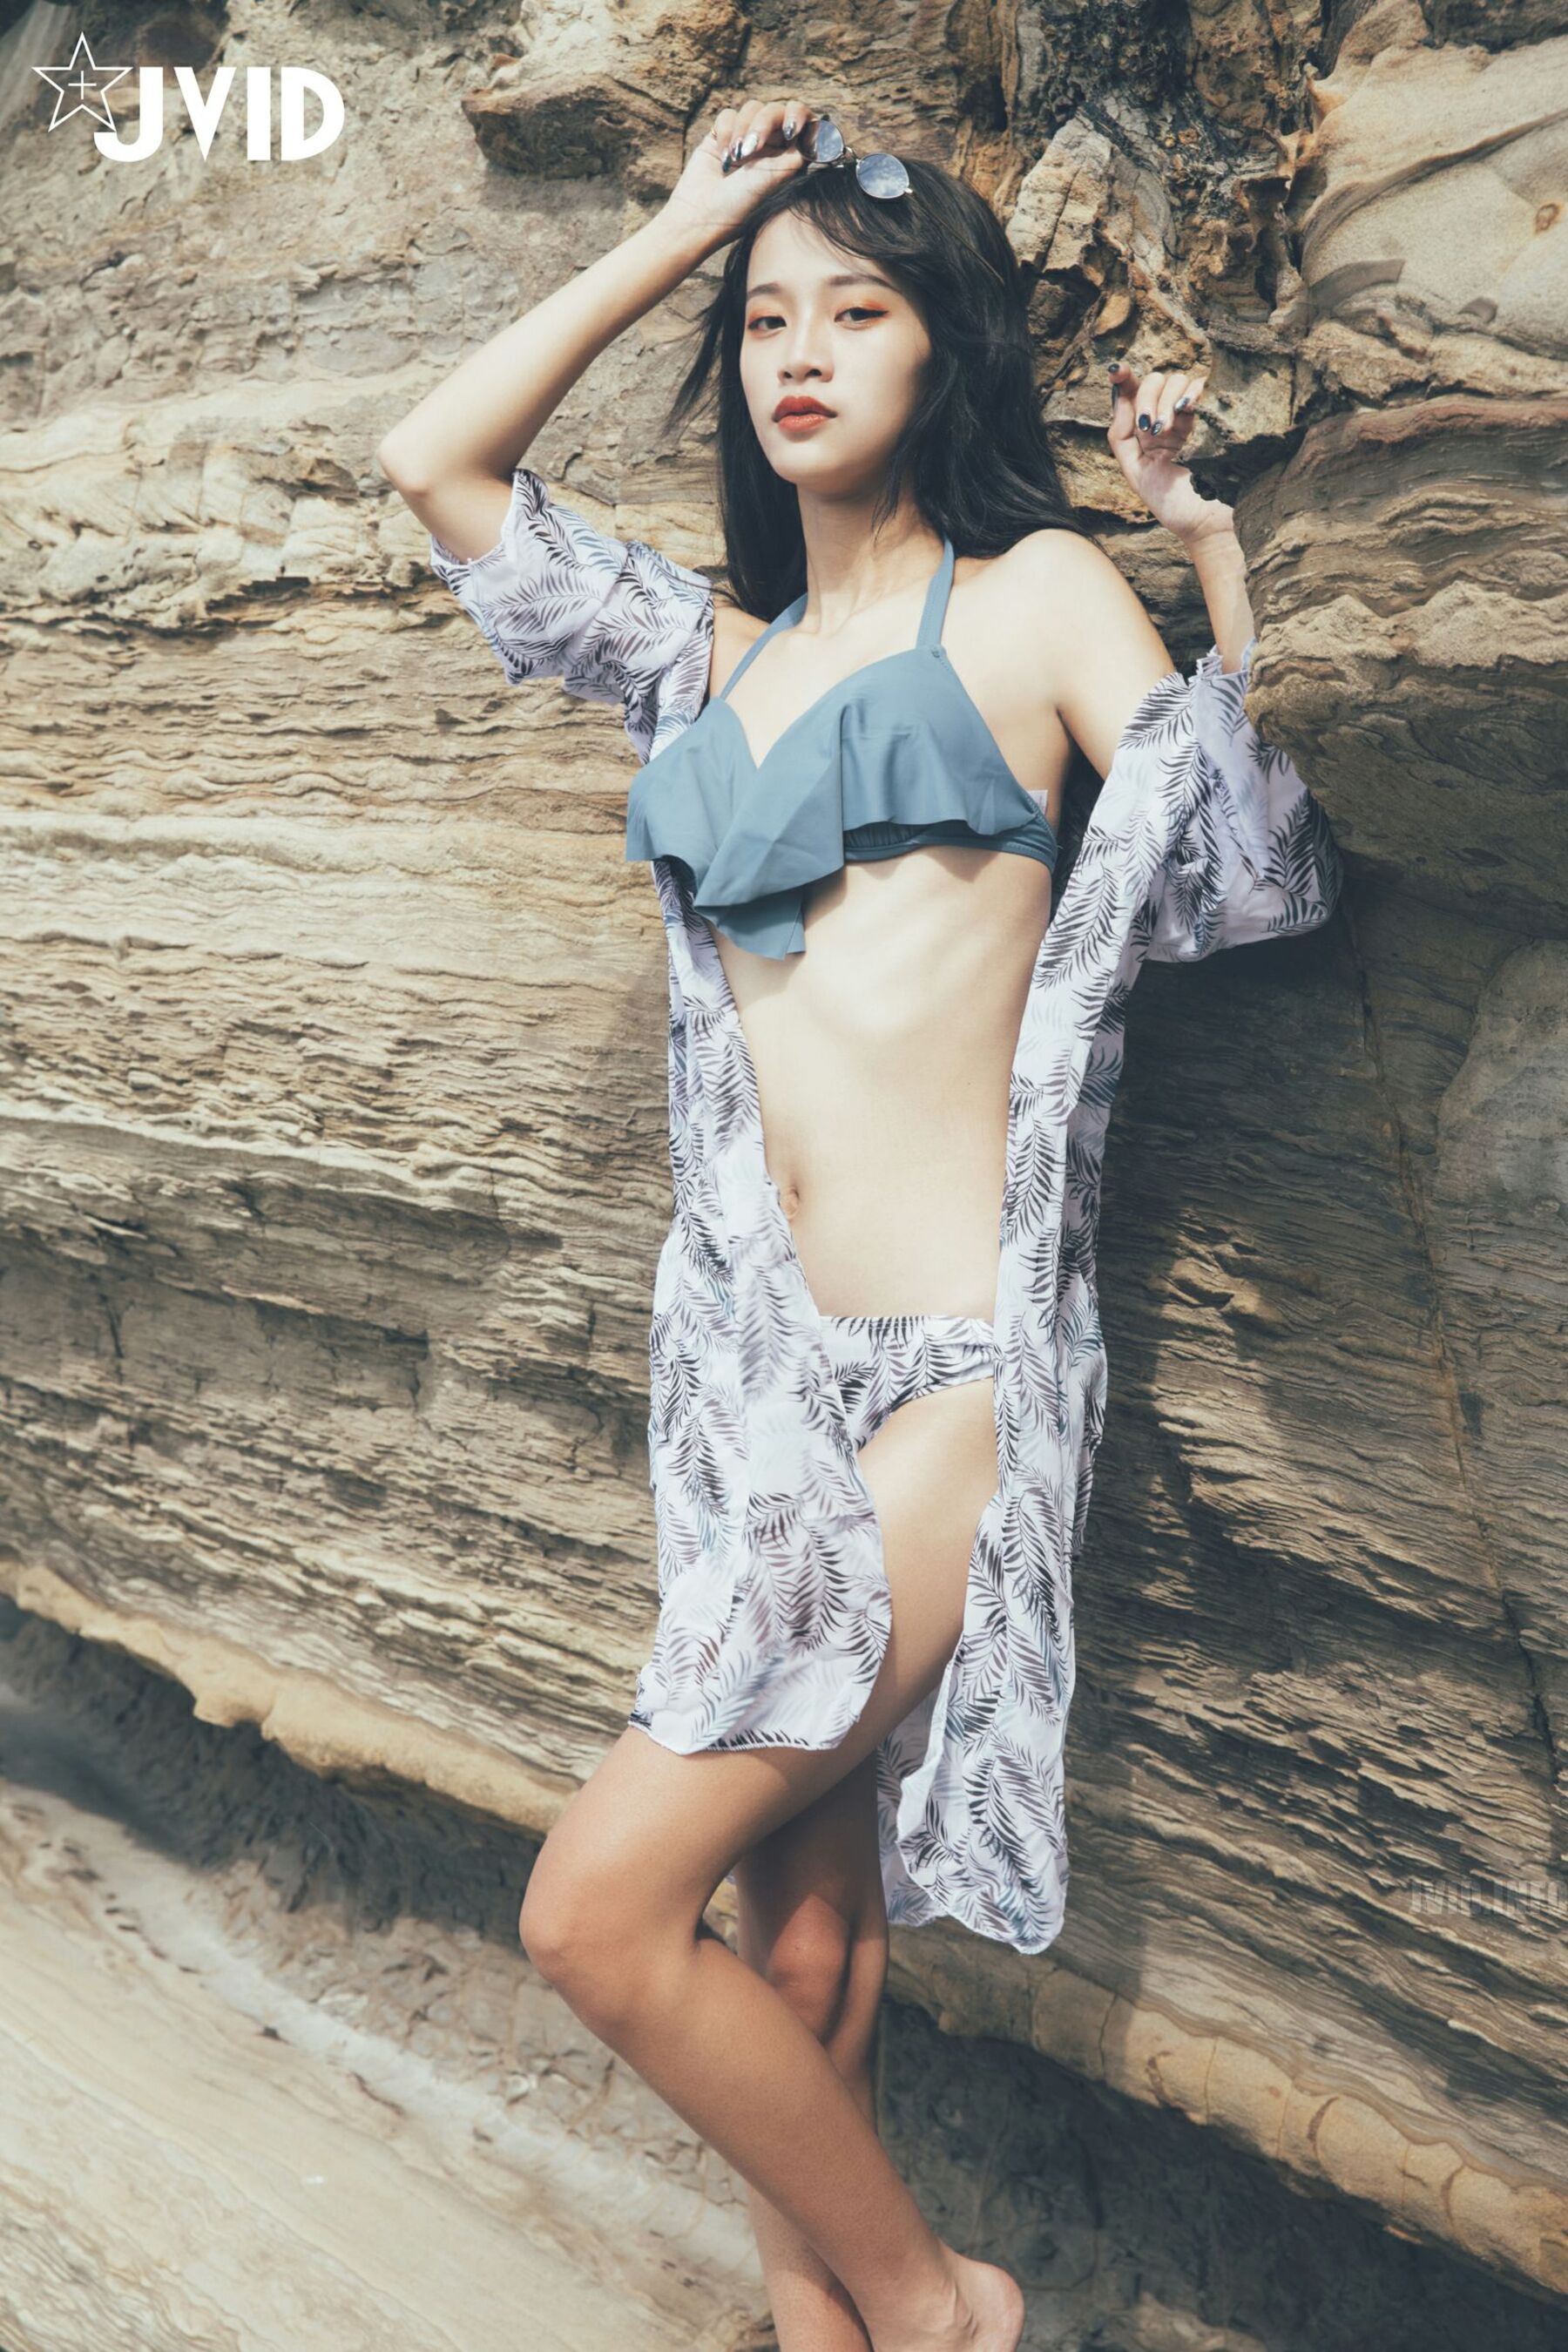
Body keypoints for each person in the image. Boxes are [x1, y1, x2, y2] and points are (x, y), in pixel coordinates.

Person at [379, 92, 1342, 2352]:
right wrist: (686, 228)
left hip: (950, 1385)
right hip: (758, 1382)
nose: (801, 353)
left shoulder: (1034, 598)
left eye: (860, 311)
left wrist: (1208, 549)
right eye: (768, 323)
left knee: (596, 1914)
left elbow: (1247, 869)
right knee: (800, 1951)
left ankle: (938, 2306)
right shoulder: (698, 655)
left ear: (950, 349)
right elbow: (438, 460)